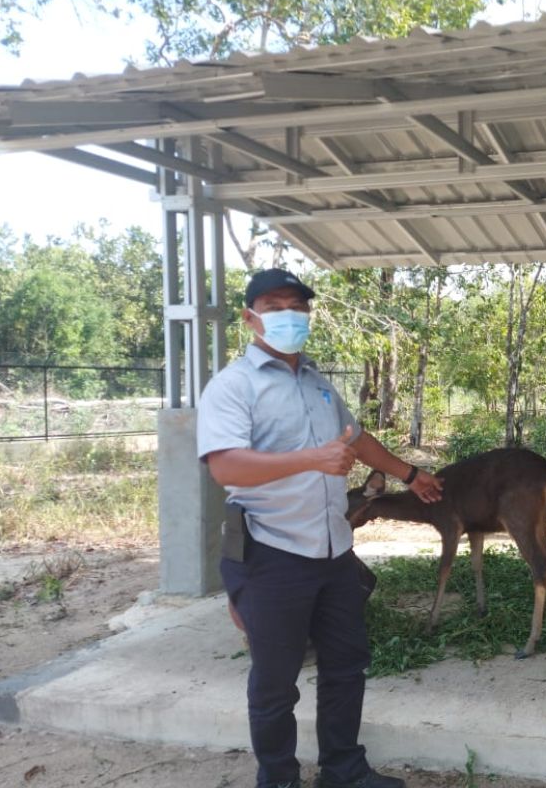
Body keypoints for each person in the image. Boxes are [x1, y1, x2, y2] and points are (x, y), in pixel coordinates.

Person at [197, 268, 444, 788]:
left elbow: (356, 440)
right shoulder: (233, 386)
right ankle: (279, 779)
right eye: (274, 305)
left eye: (297, 306)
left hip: (333, 553)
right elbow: (225, 466)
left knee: (346, 665)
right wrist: (309, 459)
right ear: (250, 318)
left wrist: (411, 474)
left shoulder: (319, 384)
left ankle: (344, 770)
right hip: (271, 553)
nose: (288, 314)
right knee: (275, 682)